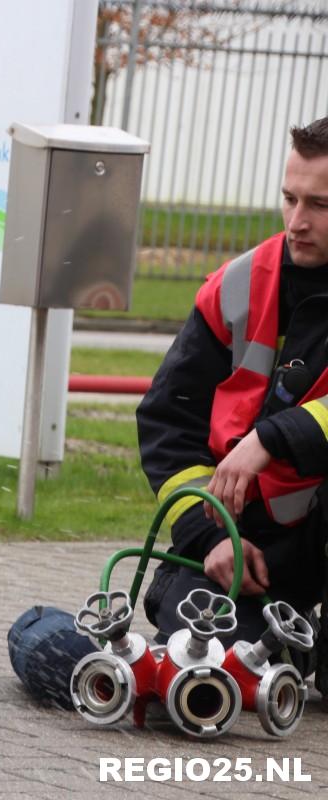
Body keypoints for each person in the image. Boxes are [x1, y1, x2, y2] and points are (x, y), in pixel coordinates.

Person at [137, 116, 328, 674]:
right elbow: (168, 423)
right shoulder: (240, 284)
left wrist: (269, 438)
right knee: (206, 653)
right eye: (289, 199)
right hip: (244, 544)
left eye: (319, 205)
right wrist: (207, 535)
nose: (297, 222)